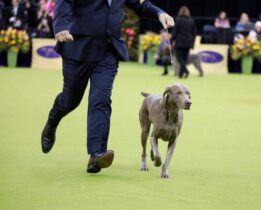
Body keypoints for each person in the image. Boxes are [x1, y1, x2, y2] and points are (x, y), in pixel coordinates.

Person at [41, 0, 174, 174]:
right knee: (70, 100)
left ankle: (96, 155)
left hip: (108, 52)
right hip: (77, 46)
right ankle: (52, 121)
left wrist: (159, 13)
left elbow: (139, 4)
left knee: (101, 99)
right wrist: (60, 26)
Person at [172, 6, 196, 78]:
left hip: (180, 42)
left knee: (179, 58)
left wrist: (172, 40)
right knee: (184, 59)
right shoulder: (191, 20)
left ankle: (186, 70)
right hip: (188, 42)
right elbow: (194, 33)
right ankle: (180, 75)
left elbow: (175, 31)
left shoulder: (178, 19)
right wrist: (192, 43)